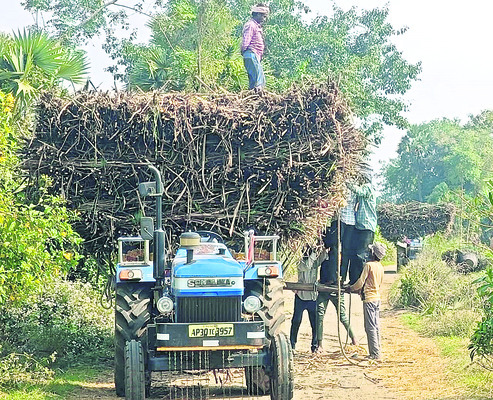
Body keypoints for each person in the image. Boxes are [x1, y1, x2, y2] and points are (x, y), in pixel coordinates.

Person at [347, 243, 386, 360]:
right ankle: (377, 350)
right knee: (376, 325)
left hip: (369, 299)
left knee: (370, 327)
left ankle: (374, 354)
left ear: (373, 254)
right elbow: (378, 284)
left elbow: (360, 282)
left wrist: (351, 288)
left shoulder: (368, 265)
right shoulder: (380, 267)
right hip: (377, 298)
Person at [290, 245, 326, 353]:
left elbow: (323, 258)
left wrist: (324, 248)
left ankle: (314, 346)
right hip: (301, 296)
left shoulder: (315, 260)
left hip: (312, 297)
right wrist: (314, 254)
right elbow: (307, 266)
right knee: (296, 321)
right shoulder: (301, 262)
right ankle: (292, 344)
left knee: (314, 323)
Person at [347, 170, 377, 284]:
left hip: (367, 226)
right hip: (360, 226)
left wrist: (347, 183)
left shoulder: (368, 187)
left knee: (361, 255)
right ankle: (354, 280)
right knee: (354, 253)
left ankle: (361, 281)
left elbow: (358, 191)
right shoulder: (366, 188)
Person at [241, 4, 269, 90]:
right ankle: (258, 96)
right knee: (259, 81)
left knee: (254, 80)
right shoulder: (251, 25)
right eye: (263, 16)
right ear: (257, 14)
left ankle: (253, 97)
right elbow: (246, 39)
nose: (264, 19)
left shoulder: (256, 25)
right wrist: (244, 51)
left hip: (253, 55)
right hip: (251, 54)